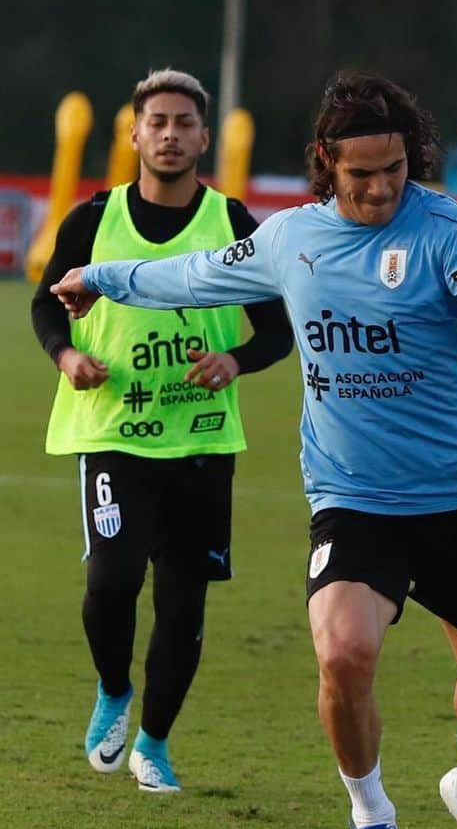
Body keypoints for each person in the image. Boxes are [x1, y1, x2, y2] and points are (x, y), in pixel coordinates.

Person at [51, 70, 457, 829]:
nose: (381, 187)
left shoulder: (451, 234)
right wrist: (102, 279)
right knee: (343, 650)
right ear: (327, 163)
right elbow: (194, 274)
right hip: (352, 496)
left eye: (395, 169)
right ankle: (371, 818)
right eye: (362, 173)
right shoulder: (292, 240)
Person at [33, 69, 293, 791]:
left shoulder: (235, 225)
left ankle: (154, 742)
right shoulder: (91, 220)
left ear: (205, 137)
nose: (171, 134)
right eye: (159, 122)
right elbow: (46, 306)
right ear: (135, 133)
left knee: (183, 601)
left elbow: (278, 328)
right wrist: (67, 354)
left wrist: (233, 361)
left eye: (184, 123)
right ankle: (114, 688)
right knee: (112, 578)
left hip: (202, 440)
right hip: (114, 430)